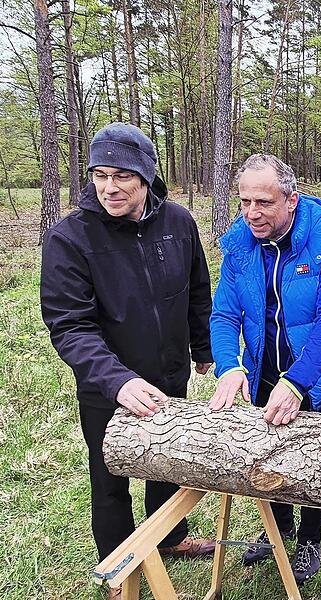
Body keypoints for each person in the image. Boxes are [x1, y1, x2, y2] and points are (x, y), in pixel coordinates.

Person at [40, 123, 216, 599]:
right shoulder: (70, 238)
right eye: (100, 173)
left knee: (165, 464)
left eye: (123, 175)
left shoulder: (179, 223)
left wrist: (202, 349)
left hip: (168, 374)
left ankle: (170, 537)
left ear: (147, 176)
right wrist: (117, 380)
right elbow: (69, 324)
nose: (110, 186)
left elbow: (197, 290)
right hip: (107, 385)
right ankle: (120, 568)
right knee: (110, 477)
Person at [208, 153, 321, 585]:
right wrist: (228, 367)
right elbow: (224, 315)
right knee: (270, 451)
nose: (252, 213)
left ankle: (310, 537)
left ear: (291, 200)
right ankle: (278, 527)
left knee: (314, 462)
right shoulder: (239, 244)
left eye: (264, 202)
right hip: (264, 369)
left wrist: (297, 383)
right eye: (244, 202)